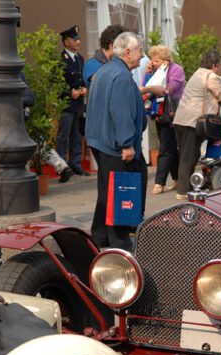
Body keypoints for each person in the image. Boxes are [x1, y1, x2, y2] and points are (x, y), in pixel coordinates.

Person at [85, 32, 147, 251]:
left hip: (100, 140)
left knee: (107, 190)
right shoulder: (120, 75)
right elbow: (120, 112)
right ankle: (119, 240)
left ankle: (100, 235)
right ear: (128, 52)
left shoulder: (104, 70)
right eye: (140, 50)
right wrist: (127, 144)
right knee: (121, 191)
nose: (142, 55)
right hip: (115, 144)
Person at [172, 50, 221, 199]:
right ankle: (183, 192)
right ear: (214, 65)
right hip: (193, 121)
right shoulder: (211, 76)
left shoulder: (197, 73)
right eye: (219, 65)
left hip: (181, 119)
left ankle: (186, 186)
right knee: (189, 157)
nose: (220, 69)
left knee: (187, 155)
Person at [140, 45, 185, 195]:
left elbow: (169, 89)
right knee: (170, 147)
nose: (154, 63)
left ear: (166, 60)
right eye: (153, 60)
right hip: (159, 114)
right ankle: (179, 179)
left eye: (157, 60)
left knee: (165, 148)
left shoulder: (176, 70)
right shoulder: (154, 71)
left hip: (172, 114)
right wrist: (149, 72)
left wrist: (161, 73)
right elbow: (145, 87)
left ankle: (159, 183)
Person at [56, 25, 89, 178]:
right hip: (66, 104)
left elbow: (82, 78)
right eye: (74, 40)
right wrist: (70, 92)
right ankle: (63, 167)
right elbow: (56, 82)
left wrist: (84, 89)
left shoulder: (80, 58)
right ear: (66, 41)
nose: (78, 42)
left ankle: (76, 164)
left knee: (77, 135)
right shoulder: (61, 59)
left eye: (78, 39)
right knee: (63, 136)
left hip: (78, 104)